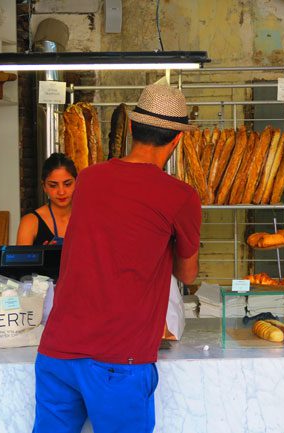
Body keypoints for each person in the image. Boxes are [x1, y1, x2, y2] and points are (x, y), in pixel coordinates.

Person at [33, 84, 201, 433]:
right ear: (176, 141)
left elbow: (103, 243)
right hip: (118, 357)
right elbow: (187, 274)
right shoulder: (180, 196)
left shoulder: (90, 179)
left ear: (131, 129)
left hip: (57, 351)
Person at [16, 153, 77, 246]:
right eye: (53, 185)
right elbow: (20, 260)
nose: (61, 192)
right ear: (44, 186)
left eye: (67, 184)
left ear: (77, 182)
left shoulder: (90, 218)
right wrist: (43, 256)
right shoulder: (30, 223)